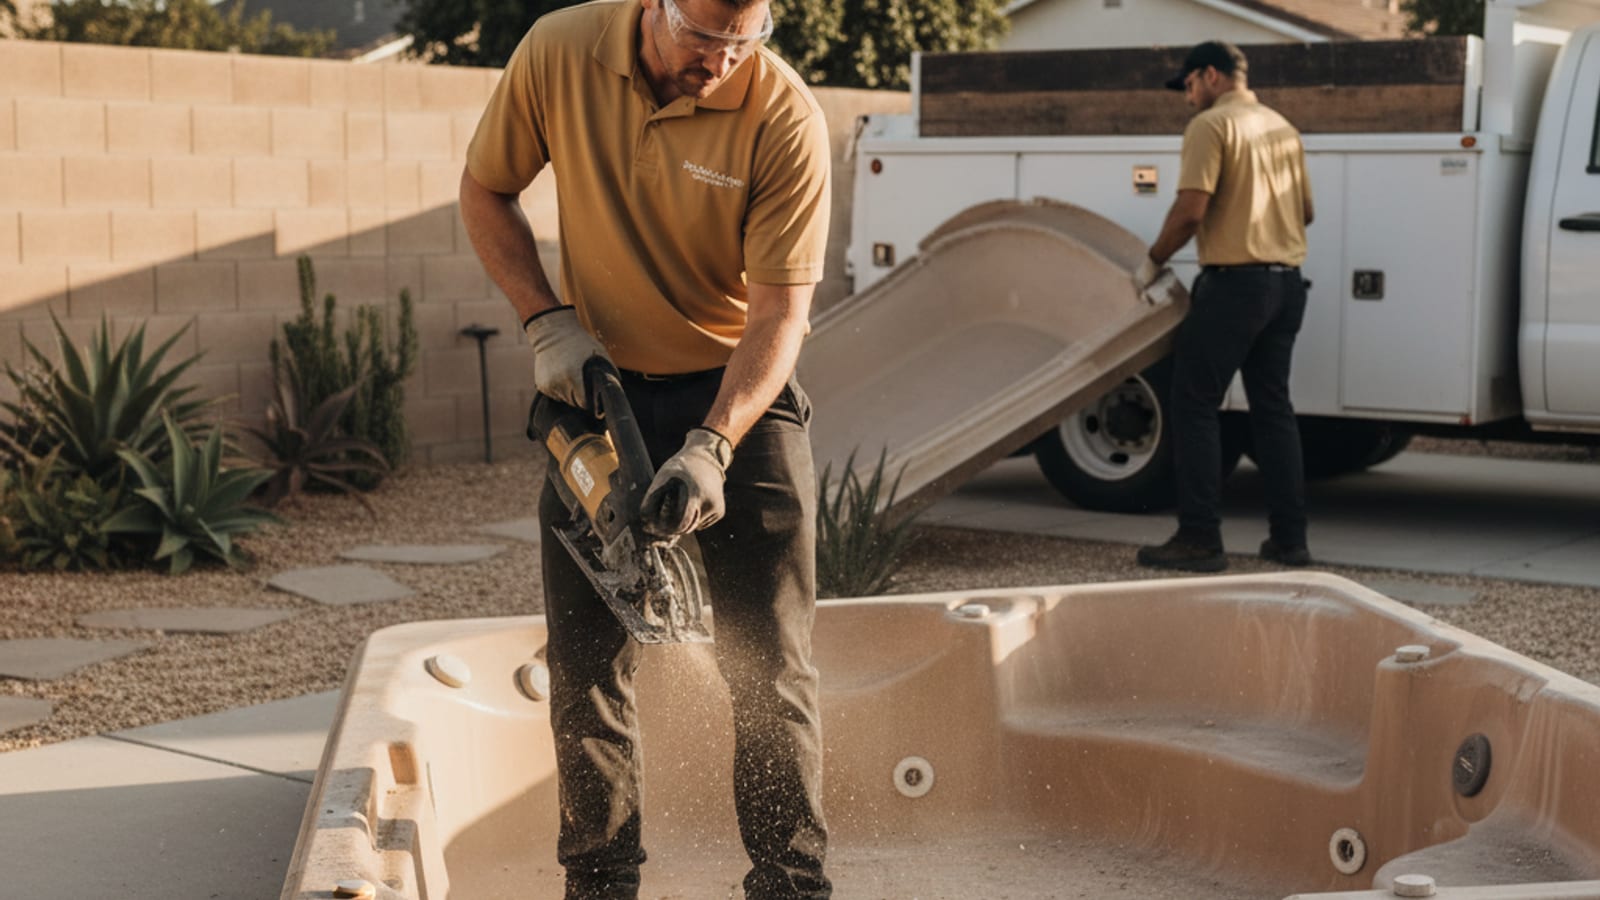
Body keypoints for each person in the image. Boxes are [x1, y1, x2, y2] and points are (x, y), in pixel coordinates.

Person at [458, 1, 832, 897]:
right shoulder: (559, 52)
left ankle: (792, 882)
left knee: (773, 665)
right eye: (705, 38)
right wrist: (545, 321)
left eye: (746, 40)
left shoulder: (783, 116)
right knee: (587, 669)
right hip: (599, 388)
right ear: (655, 7)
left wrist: (714, 444)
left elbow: (781, 316)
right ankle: (599, 881)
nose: (722, 62)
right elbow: (484, 190)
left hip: (736, 392)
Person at [1134, 40, 1315, 573]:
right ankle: (1289, 540)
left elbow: (1191, 210)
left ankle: (1199, 538)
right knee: (1274, 411)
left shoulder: (1211, 127)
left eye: (1188, 84)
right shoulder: (1283, 128)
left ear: (1211, 76)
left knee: (1192, 403)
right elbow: (1306, 211)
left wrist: (1153, 260)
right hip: (1286, 287)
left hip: (1235, 286)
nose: (1186, 96)